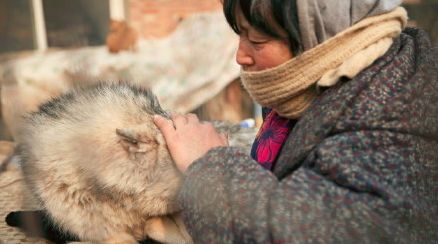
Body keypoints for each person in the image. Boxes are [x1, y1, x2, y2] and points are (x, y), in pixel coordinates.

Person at [153, 0, 438, 242]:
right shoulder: (309, 88)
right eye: (240, 36)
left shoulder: (393, 114)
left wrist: (209, 163)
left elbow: (304, 232)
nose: (240, 56)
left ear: (318, 39)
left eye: (257, 41)